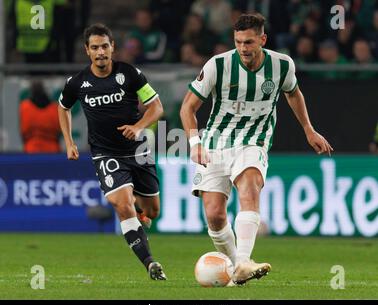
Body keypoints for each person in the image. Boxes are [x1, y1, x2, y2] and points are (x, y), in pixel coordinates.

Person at [180, 13, 333, 285]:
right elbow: (188, 107)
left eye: (249, 42)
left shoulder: (282, 65)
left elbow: (293, 93)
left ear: (263, 39)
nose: (243, 48)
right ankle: (239, 267)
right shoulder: (218, 65)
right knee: (214, 215)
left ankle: (244, 260)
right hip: (215, 143)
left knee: (250, 187)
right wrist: (195, 143)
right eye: (238, 42)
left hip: (255, 140)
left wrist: (308, 129)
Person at [58, 23, 166, 280]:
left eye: (104, 46)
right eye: (94, 47)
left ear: (112, 47)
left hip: (137, 151)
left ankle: (141, 213)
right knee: (123, 205)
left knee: (152, 212)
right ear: (87, 51)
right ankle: (150, 262)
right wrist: (69, 141)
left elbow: (157, 107)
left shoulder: (130, 74)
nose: (100, 52)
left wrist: (139, 127)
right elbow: (62, 107)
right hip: (106, 154)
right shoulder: (77, 83)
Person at [19, 80, 61, 153]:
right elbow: (59, 132)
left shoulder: (24, 107)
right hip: (52, 150)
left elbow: (23, 132)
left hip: (31, 149)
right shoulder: (55, 108)